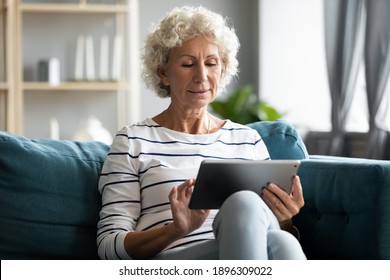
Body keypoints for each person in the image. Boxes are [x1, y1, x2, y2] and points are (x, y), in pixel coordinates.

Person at [97, 5, 306, 260]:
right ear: (163, 73)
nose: (202, 76)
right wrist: (175, 229)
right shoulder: (133, 141)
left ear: (222, 69)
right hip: (176, 259)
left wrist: (285, 219)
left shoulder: (247, 140)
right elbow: (109, 247)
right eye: (187, 64)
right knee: (246, 206)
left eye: (211, 63)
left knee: (281, 241)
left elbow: (269, 233)